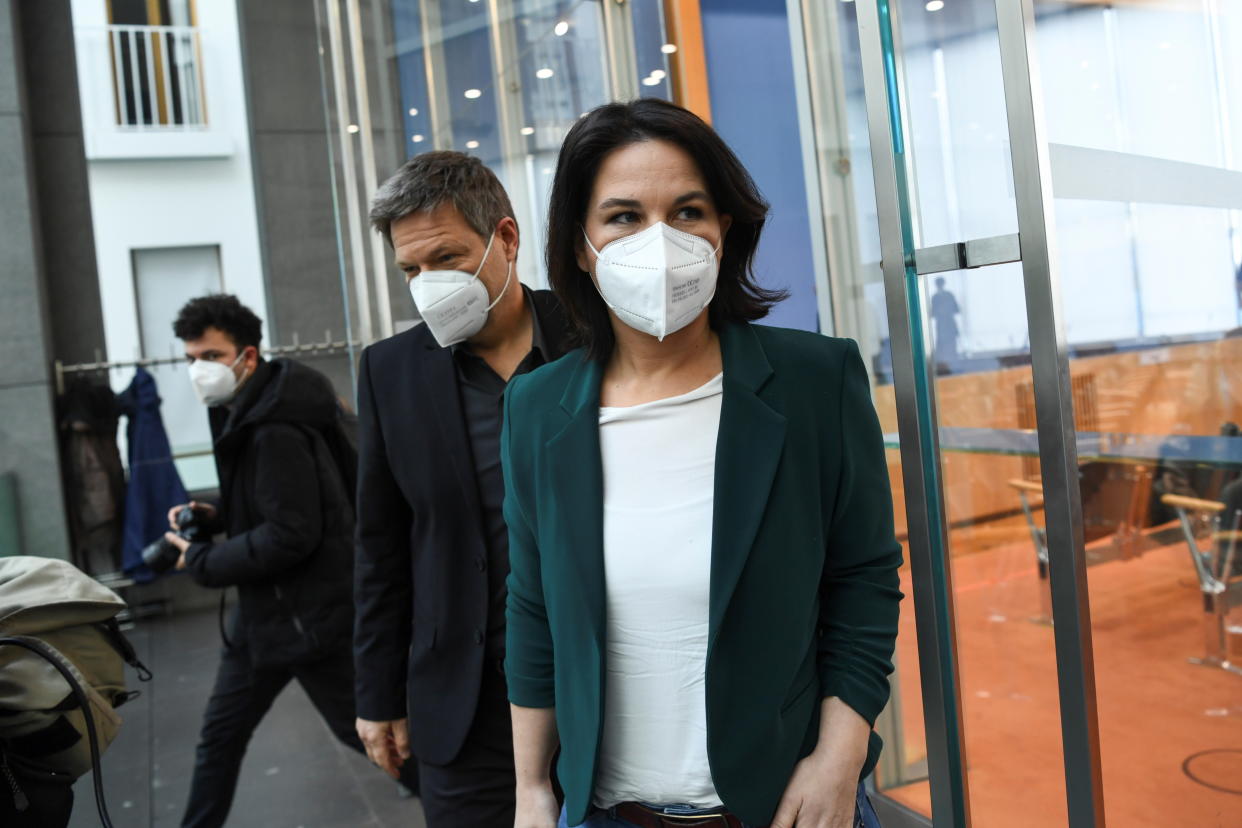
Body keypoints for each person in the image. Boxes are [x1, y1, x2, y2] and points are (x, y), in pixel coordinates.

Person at [502, 99, 903, 828]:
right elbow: (532, 606)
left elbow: (863, 579)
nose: (659, 240)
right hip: (604, 812)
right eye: (623, 216)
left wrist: (840, 756)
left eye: (687, 211)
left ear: (725, 231)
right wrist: (533, 788)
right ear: (583, 246)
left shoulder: (816, 382)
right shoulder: (536, 407)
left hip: (787, 804)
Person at [353, 151, 573, 827]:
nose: (428, 283)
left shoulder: (596, 337)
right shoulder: (391, 372)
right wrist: (377, 693)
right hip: (462, 700)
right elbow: (381, 545)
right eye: (411, 269)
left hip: (594, 683)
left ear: (505, 239)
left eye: (446, 257)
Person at [163, 295, 416, 828]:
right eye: (190, 359)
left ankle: (473, 801)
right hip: (265, 619)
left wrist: (205, 559)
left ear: (247, 357)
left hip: (311, 621)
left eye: (209, 355)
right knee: (220, 738)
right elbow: (275, 506)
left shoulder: (275, 426)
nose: (198, 371)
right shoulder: (245, 409)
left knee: (370, 737)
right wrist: (212, 518)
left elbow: (291, 534)